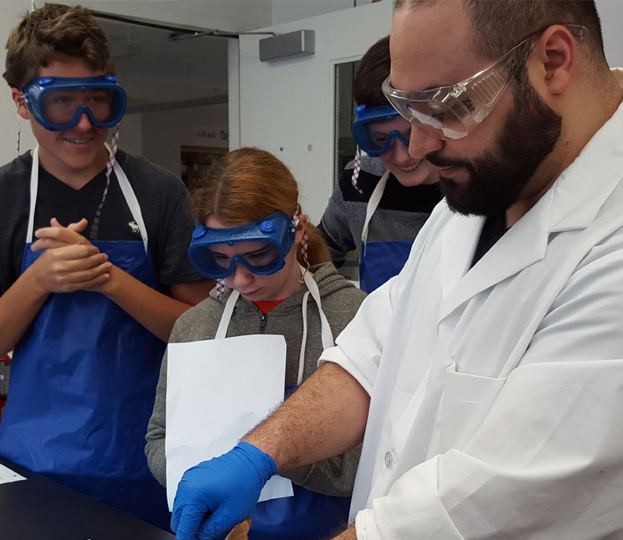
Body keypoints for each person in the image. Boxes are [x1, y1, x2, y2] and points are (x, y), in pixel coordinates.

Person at [170, 0, 623, 539]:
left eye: (446, 106)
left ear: (553, 61)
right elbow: (370, 355)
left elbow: (483, 503)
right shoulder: (476, 198)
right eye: (408, 108)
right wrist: (259, 452)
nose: (418, 146)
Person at [0, 4, 210, 529]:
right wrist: (39, 280)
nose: (84, 123)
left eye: (98, 100)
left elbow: (199, 334)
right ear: (23, 103)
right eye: (61, 102)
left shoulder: (159, 193)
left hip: (153, 460)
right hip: (37, 468)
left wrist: (107, 278)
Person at [144, 148, 366, 539]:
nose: (241, 279)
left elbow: (377, 461)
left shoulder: (356, 318)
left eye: (258, 256)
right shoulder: (195, 326)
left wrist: (267, 451)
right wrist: (197, 476)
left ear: (297, 229)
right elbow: (158, 439)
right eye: (220, 260)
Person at [318, 36, 443, 292]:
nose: (402, 157)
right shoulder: (360, 181)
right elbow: (317, 260)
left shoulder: (479, 188)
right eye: (380, 139)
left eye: (412, 134)